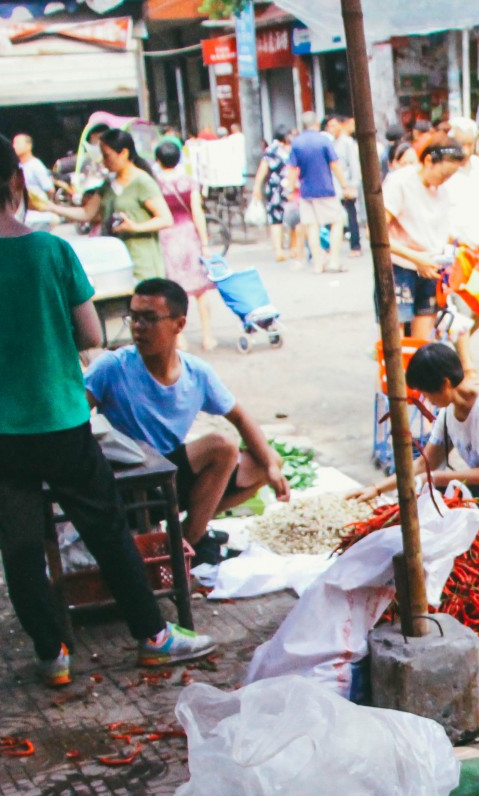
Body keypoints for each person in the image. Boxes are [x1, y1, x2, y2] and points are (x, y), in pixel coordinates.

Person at [0, 131, 216, 686]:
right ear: (18, 181)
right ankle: (153, 637)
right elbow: (89, 334)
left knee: (19, 546)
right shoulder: (52, 251)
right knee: (106, 530)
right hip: (60, 423)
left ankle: (53, 654)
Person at [84, 277, 289, 559]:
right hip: (129, 486)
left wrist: (272, 467)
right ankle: (187, 545)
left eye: (149, 319)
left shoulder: (196, 373)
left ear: (178, 324)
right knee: (222, 445)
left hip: (170, 481)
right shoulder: (111, 367)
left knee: (266, 462)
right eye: (134, 317)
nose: (138, 328)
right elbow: (76, 418)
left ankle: (187, 538)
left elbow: (241, 417)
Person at [364, 343, 479, 550]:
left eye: (427, 392)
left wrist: (434, 478)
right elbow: (425, 465)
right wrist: (376, 489)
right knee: (434, 489)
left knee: (459, 489)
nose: (426, 400)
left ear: (445, 384)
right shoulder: (448, 412)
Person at [382, 139, 466, 340]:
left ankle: (418, 370)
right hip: (399, 267)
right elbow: (377, 234)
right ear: (428, 160)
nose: (445, 180)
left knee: (424, 333)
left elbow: (436, 233)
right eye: (444, 174)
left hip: (430, 268)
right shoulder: (400, 182)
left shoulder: (442, 191)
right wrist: (415, 258)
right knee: (396, 332)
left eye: (450, 176)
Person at [61, 128, 170, 281]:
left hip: (142, 264)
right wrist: (50, 207)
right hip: (116, 263)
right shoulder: (109, 183)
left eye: (107, 156)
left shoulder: (142, 181)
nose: (104, 162)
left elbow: (165, 219)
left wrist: (135, 227)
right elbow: (87, 213)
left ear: (124, 153)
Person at [150, 141, 219, 350]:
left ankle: (180, 338)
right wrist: (205, 242)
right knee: (200, 289)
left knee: (173, 291)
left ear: (158, 160)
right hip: (188, 236)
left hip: (166, 237)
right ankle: (208, 336)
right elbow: (197, 212)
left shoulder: (155, 184)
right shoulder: (189, 182)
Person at [289, 112, 347, 273]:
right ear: (316, 123)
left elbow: (292, 169)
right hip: (325, 188)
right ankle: (334, 260)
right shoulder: (324, 141)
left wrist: (290, 188)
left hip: (306, 190)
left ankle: (317, 264)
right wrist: (344, 185)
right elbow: (335, 164)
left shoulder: (297, 143)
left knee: (311, 226)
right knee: (337, 221)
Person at [442, 117, 479, 256]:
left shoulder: (477, 164)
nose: (466, 151)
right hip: (456, 249)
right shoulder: (444, 170)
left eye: (470, 144)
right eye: (462, 145)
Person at [251, 126, 295, 260]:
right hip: (289, 187)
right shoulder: (290, 149)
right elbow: (263, 169)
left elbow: (262, 170)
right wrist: (256, 187)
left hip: (275, 188)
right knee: (293, 218)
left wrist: (257, 187)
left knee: (277, 220)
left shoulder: (271, 150)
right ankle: (292, 248)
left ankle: (279, 250)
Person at [329, 116, 363, 256]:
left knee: (351, 216)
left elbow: (354, 166)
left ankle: (355, 246)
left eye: (334, 125)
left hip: (346, 184)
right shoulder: (330, 142)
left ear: (341, 125)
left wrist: (352, 185)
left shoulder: (348, 143)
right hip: (333, 186)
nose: (331, 129)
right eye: (329, 126)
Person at [13, 133, 55, 205]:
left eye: (18, 143)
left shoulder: (36, 165)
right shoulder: (17, 167)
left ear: (29, 145)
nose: (14, 146)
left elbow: (50, 190)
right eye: (13, 143)